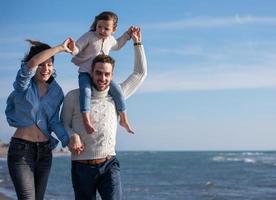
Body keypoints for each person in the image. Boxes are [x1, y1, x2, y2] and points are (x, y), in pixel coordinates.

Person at [61, 27, 147, 200]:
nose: (102, 78)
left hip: (109, 163)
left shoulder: (118, 94)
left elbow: (140, 73)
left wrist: (137, 43)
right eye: (98, 73)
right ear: (91, 73)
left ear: (112, 75)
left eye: (107, 74)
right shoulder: (73, 96)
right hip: (81, 166)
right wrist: (73, 136)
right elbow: (64, 124)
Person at [5, 38, 74, 200]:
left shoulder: (57, 91)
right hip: (21, 150)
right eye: (42, 64)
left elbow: (53, 122)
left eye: (50, 64)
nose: (46, 69)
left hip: (44, 152)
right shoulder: (24, 85)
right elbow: (29, 66)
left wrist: (67, 140)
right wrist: (59, 48)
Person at [71, 11, 134, 134]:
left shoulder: (110, 40)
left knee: (118, 92)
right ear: (96, 24)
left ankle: (124, 119)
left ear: (113, 30)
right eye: (99, 26)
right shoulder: (89, 36)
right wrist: (72, 48)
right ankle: (86, 120)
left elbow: (118, 45)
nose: (101, 30)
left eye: (106, 28)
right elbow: (78, 47)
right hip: (85, 73)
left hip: (103, 76)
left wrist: (128, 35)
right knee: (86, 91)